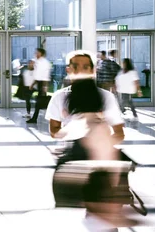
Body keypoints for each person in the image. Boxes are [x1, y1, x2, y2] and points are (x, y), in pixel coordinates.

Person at [46, 50, 129, 231]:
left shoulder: (105, 97)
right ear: (68, 69)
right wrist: (75, 134)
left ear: (93, 70)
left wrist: (100, 141)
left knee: (102, 214)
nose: (80, 70)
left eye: (85, 67)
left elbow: (119, 133)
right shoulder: (60, 97)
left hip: (101, 159)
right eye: (75, 66)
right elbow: (54, 131)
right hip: (76, 155)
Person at [26, 48, 52, 123]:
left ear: (41, 54)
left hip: (43, 83)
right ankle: (35, 118)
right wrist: (33, 84)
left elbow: (45, 76)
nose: (35, 54)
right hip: (39, 83)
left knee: (40, 102)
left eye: (37, 53)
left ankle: (35, 118)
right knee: (39, 102)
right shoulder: (38, 62)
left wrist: (45, 86)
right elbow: (37, 75)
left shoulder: (44, 63)